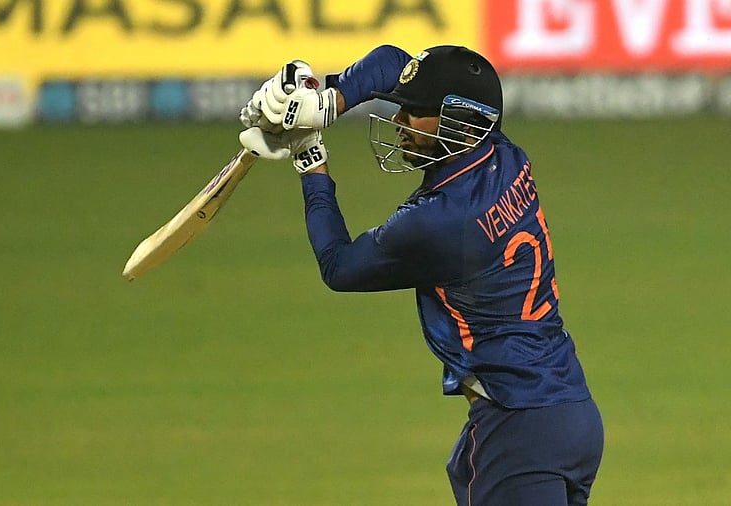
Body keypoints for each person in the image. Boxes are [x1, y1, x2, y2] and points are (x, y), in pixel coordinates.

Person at [238, 45, 605, 506]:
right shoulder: (504, 155)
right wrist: (326, 98)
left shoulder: (441, 222)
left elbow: (339, 266)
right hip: (572, 415)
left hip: (518, 428)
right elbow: (395, 63)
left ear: (460, 122)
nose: (399, 121)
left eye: (413, 113)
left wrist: (309, 157)